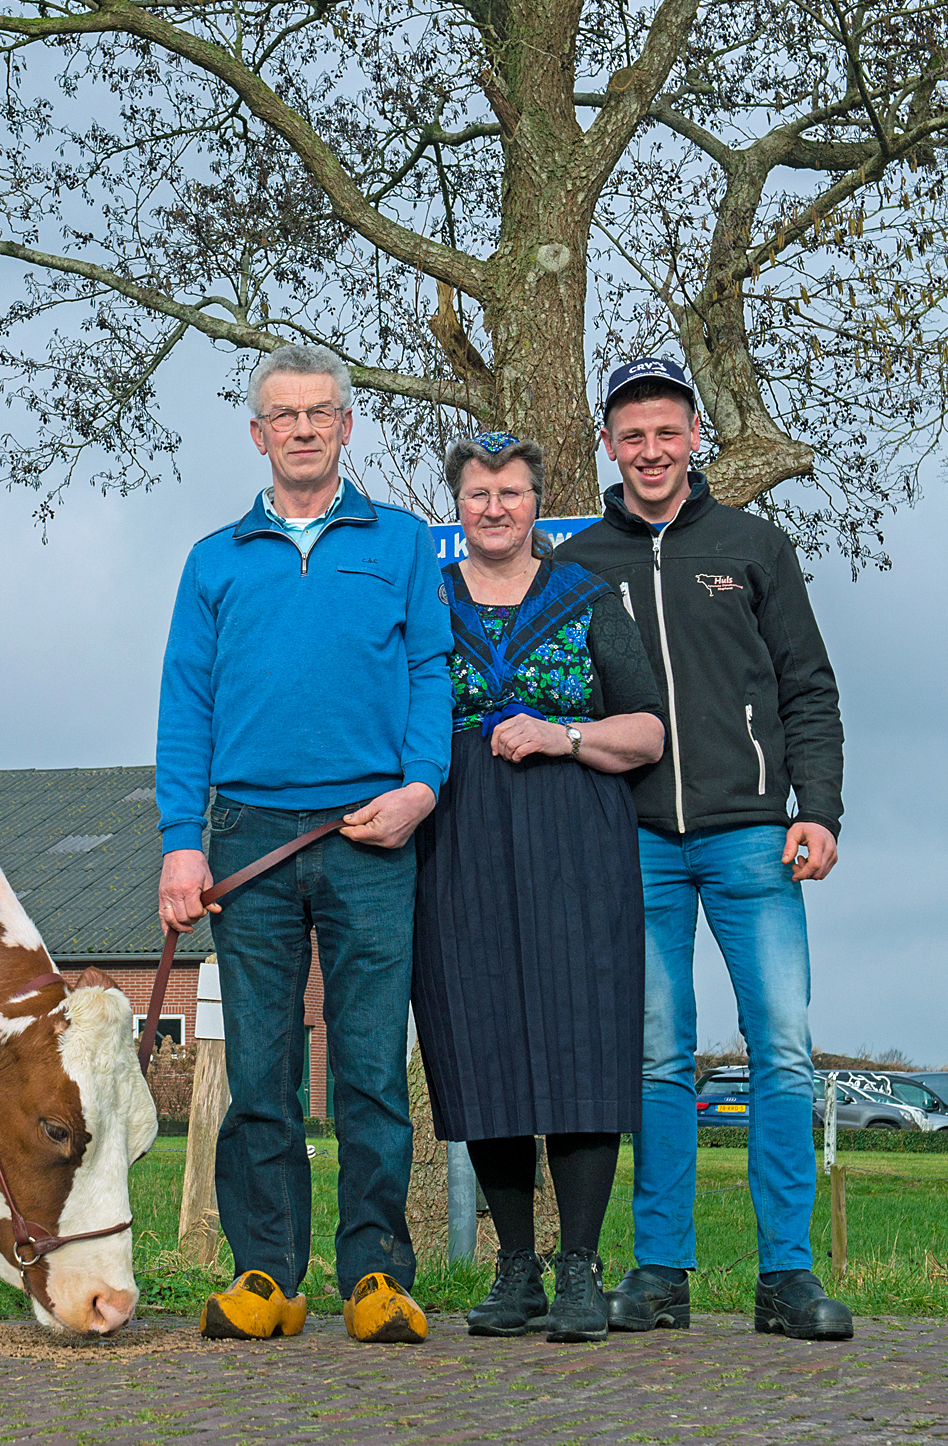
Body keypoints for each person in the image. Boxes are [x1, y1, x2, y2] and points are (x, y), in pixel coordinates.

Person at [156, 343, 451, 1344]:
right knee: (261, 1071)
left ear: (347, 425)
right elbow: (185, 707)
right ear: (258, 433)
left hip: (372, 830)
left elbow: (429, 676)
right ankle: (267, 1277)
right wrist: (179, 844)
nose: (303, 428)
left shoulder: (404, 544)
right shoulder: (212, 559)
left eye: (320, 412)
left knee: (370, 1065)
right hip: (248, 838)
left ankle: (374, 1277)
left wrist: (421, 789)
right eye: (284, 415)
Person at [559, 358, 853, 1342]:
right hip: (629, 843)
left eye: (667, 432)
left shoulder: (754, 546)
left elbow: (808, 686)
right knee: (656, 1060)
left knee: (780, 1049)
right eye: (632, 435)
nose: (650, 451)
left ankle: (787, 1278)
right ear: (610, 445)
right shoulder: (578, 564)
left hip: (752, 840)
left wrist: (819, 811)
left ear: (695, 438)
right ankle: (660, 1274)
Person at [410, 432, 665, 1344]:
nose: (494, 508)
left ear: (534, 502)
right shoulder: (425, 602)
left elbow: (646, 733)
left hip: (575, 841)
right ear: (459, 506)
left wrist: (561, 734)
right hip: (458, 843)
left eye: (511, 492)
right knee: (484, 1042)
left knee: (580, 1043)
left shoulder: (587, 598)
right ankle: (513, 1270)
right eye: (477, 494)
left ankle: (581, 1271)